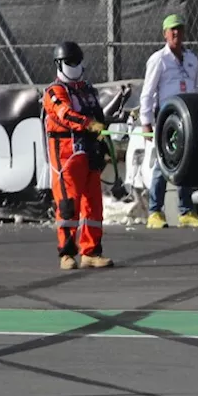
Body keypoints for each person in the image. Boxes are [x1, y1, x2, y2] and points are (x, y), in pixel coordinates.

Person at [43, 41, 117, 270]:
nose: (74, 66)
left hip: (90, 154)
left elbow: (100, 121)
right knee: (68, 205)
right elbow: (65, 115)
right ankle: (66, 253)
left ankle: (91, 251)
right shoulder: (54, 92)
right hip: (66, 158)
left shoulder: (88, 90)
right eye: (69, 62)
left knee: (93, 205)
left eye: (76, 61)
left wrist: (104, 148)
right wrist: (88, 124)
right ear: (59, 64)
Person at [140, 14, 198, 229]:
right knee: (163, 163)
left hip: (187, 117)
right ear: (165, 34)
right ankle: (154, 211)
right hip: (167, 118)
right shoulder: (159, 59)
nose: (176, 33)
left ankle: (186, 210)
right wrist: (146, 122)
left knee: (186, 162)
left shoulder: (192, 58)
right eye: (172, 30)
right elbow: (147, 93)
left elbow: (197, 88)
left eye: (179, 29)